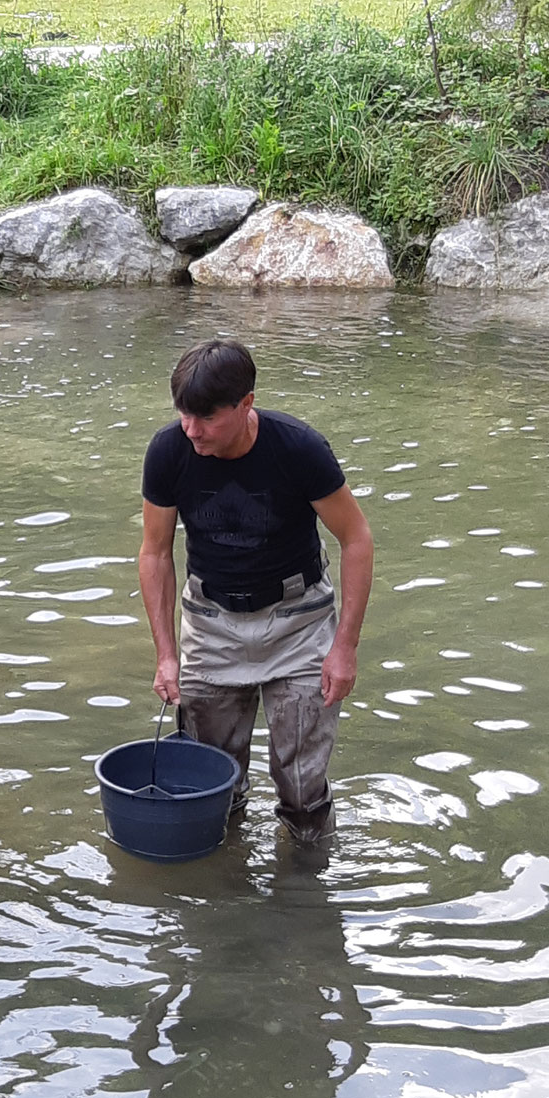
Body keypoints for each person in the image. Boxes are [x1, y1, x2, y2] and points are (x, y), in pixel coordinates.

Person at [137, 338, 374, 843]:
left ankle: (306, 897)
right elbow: (155, 553)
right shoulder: (168, 451)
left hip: (300, 621)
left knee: (303, 791)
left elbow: (356, 540)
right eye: (184, 416)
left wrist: (344, 648)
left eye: (207, 419)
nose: (192, 431)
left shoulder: (298, 448)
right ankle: (222, 895)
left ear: (246, 405)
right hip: (210, 621)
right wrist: (165, 654)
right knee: (211, 786)